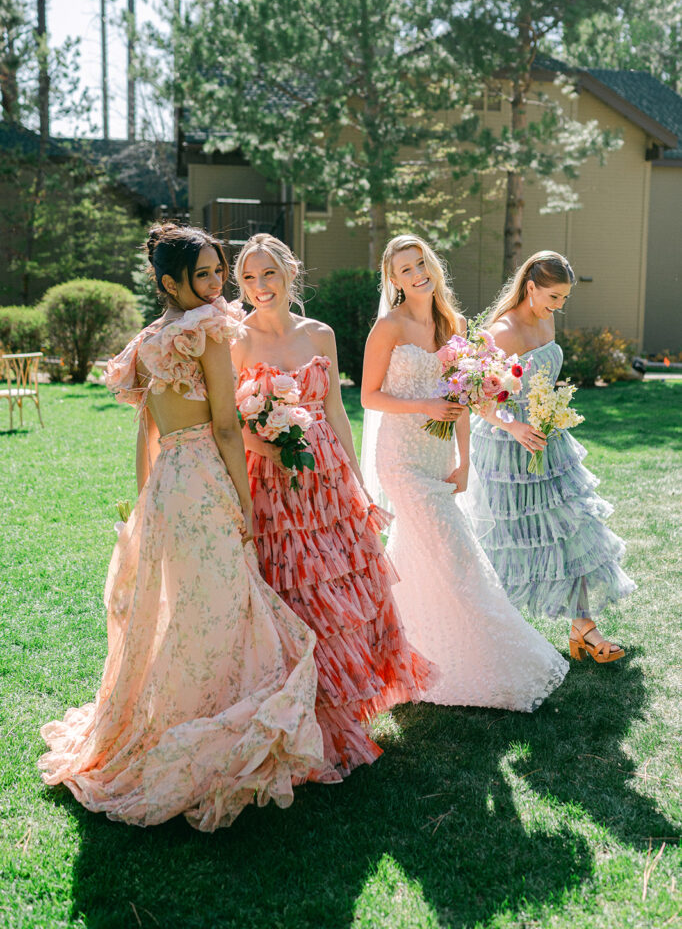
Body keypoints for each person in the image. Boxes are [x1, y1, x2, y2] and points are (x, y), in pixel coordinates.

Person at [38, 223, 325, 831]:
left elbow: (145, 427)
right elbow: (226, 428)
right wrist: (244, 504)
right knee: (220, 604)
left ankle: (169, 713)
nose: (218, 284)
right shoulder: (211, 331)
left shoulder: (146, 342)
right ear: (170, 282)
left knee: (183, 606)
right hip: (203, 478)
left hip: (168, 481)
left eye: (220, 271)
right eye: (204, 274)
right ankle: (205, 720)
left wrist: (143, 495)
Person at [231, 233, 435, 779]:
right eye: (248, 279)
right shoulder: (236, 340)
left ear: (290, 273)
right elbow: (225, 423)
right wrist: (268, 446)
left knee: (340, 588)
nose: (259, 288)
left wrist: (358, 481)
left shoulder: (320, 333)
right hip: (273, 481)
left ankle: (344, 706)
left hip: (328, 482)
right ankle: (307, 714)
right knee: (296, 591)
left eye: (268, 274)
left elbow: (338, 409)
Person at [361, 234, 568, 710]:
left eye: (421, 263)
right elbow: (369, 396)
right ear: (393, 280)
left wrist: (466, 460)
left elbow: (470, 396)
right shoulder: (388, 329)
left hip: (440, 459)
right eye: (405, 269)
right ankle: (503, 660)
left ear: (432, 266)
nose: (417, 274)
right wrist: (423, 403)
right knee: (459, 557)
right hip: (402, 460)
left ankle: (413, 659)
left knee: (417, 560)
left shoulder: (453, 324)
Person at [470, 250, 635, 663]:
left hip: (549, 439)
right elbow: (476, 398)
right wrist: (514, 425)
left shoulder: (547, 318)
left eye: (563, 299)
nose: (559, 306)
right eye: (554, 297)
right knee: (507, 542)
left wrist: (550, 414)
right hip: (508, 448)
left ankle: (584, 627)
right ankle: (491, 636)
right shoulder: (501, 332)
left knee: (573, 528)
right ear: (530, 287)